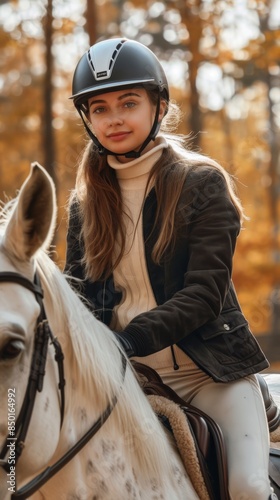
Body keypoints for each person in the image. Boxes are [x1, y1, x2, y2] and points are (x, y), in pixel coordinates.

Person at [65, 37, 276, 500]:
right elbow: (74, 295)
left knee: (248, 488)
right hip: (125, 378)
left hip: (209, 374)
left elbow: (203, 295)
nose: (114, 117)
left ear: (159, 105)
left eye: (128, 102)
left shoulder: (202, 184)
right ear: (88, 119)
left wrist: (127, 339)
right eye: (99, 108)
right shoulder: (85, 205)